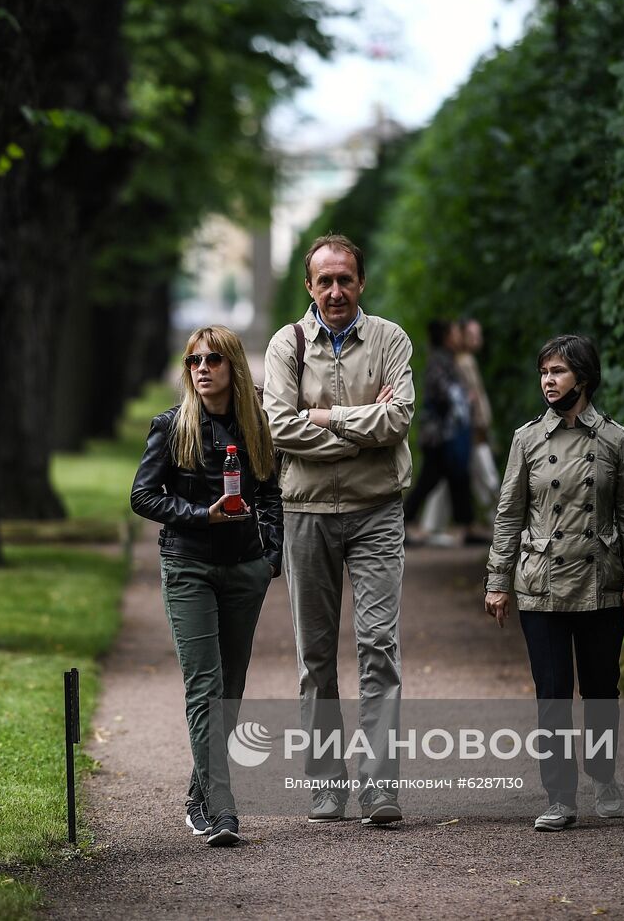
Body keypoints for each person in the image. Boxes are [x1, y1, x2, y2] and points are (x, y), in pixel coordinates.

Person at [263, 233, 414, 826]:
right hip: (306, 513)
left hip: (378, 510)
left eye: (344, 279)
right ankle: (327, 786)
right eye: (324, 281)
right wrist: (361, 426)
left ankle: (380, 789)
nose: (335, 290)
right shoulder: (285, 344)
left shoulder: (390, 339)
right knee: (315, 655)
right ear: (309, 287)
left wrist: (321, 416)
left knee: (379, 647)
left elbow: (398, 418)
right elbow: (278, 426)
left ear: (361, 282)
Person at [483, 334, 624, 832]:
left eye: (557, 371)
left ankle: (602, 775)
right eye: (544, 372)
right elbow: (509, 514)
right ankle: (559, 796)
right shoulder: (527, 439)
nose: (548, 381)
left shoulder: (614, 440)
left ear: (583, 376)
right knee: (552, 693)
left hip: (600, 579)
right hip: (541, 583)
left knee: (601, 688)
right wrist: (498, 581)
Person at [130, 325, 283, 848]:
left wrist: (270, 556)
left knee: (232, 691)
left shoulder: (255, 425)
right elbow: (143, 497)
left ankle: (199, 793)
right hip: (188, 567)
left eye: (213, 360)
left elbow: (270, 493)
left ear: (233, 367)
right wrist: (202, 515)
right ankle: (223, 810)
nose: (202, 369)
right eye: (194, 360)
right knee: (204, 689)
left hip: (245, 571)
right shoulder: (171, 427)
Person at [404, 319, 473, 546]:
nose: (458, 337)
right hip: (439, 436)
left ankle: (466, 527)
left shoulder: (445, 359)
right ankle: (401, 526)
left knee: (457, 479)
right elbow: (442, 394)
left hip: (445, 434)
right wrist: (462, 396)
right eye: (454, 332)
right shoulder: (439, 361)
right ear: (445, 337)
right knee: (429, 481)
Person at [456, 318, 499, 522]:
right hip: (473, 429)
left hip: (473, 428)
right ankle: (500, 523)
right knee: (488, 476)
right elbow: (473, 399)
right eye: (473, 335)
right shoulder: (464, 362)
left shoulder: (465, 360)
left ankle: (495, 521)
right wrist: (480, 426)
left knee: (474, 477)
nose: (478, 339)